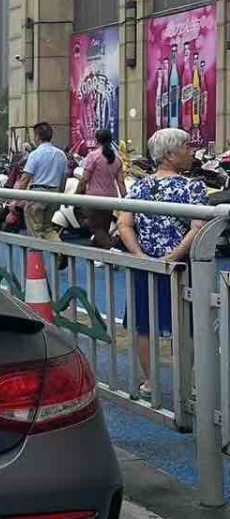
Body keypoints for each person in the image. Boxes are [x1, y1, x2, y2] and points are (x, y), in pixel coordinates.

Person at [116, 128, 205, 400]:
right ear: (169, 154)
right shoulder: (193, 187)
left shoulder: (140, 186)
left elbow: (123, 224)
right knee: (186, 326)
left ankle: (151, 383)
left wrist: (140, 255)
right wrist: (173, 257)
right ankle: (189, 385)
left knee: (145, 324)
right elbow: (197, 227)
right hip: (181, 268)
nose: (191, 151)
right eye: (186, 147)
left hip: (146, 266)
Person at [16, 122, 69, 266]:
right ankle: (61, 251)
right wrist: (60, 195)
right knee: (48, 228)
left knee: (34, 230)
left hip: (37, 194)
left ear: (37, 137)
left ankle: (36, 264)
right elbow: (64, 178)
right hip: (54, 195)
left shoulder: (35, 154)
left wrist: (17, 198)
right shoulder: (61, 155)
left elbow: (25, 178)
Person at [77, 129, 124, 249]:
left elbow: (84, 179)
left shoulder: (93, 156)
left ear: (96, 140)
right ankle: (100, 256)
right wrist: (125, 199)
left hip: (94, 198)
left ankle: (113, 247)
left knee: (96, 228)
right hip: (111, 199)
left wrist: (76, 194)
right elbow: (121, 183)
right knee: (104, 228)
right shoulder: (117, 158)